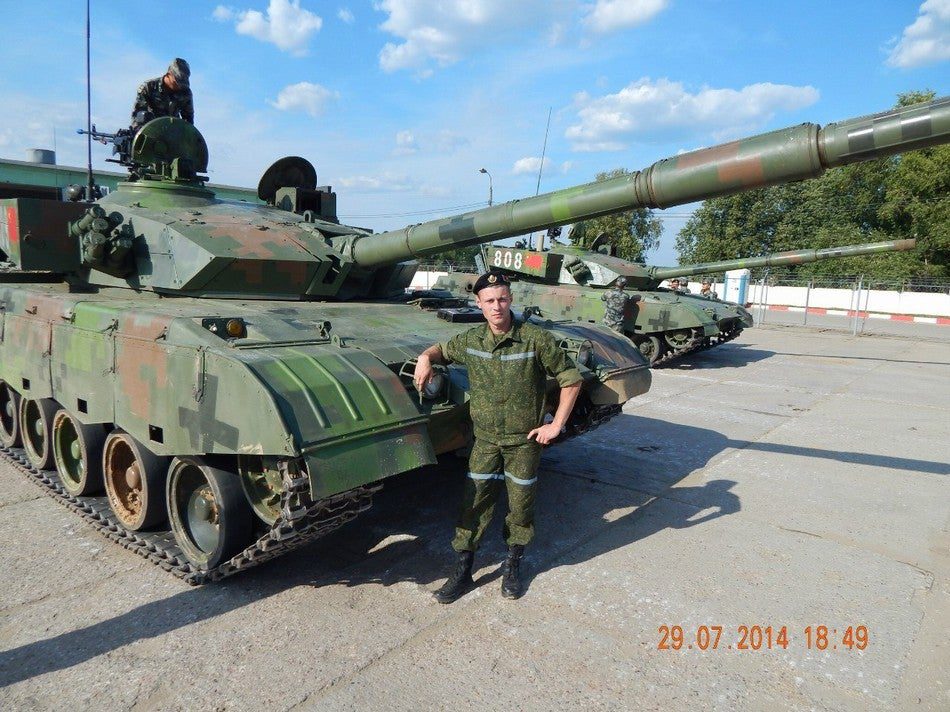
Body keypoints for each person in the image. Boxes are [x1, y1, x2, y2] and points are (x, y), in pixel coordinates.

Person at [414, 270, 582, 603]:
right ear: (479, 303)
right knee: (472, 505)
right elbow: (441, 350)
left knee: (520, 507)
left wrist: (556, 424)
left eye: (502, 299)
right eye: (489, 301)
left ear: (511, 300)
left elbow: (571, 379)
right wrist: (424, 358)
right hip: (485, 441)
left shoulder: (535, 339)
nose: (497, 306)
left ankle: (512, 566)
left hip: (524, 442)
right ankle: (462, 571)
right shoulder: (471, 341)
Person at [131, 58, 194, 128]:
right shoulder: (148, 87)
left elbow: (188, 120)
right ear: (168, 75)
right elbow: (138, 115)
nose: (179, 86)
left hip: (172, 132)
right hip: (150, 129)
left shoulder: (185, 92)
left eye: (182, 84)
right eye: (176, 83)